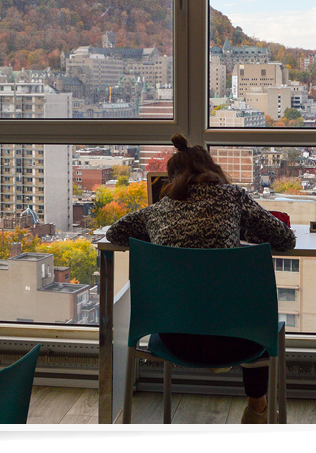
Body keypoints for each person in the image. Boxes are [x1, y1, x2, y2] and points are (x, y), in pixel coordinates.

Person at [106, 133, 296, 423]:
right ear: (212, 170)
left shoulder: (155, 211)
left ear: (171, 178)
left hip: (175, 338)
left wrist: (159, 237)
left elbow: (115, 233)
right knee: (254, 313)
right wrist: (243, 231)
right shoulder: (234, 197)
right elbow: (284, 239)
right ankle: (257, 407)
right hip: (239, 339)